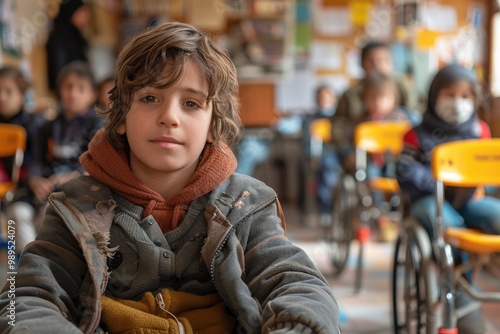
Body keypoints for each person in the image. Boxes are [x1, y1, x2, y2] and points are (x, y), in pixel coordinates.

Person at [0, 22, 340, 333]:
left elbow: (297, 284)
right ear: (120, 117)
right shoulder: (76, 206)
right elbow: (25, 298)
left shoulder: (247, 205)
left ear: (213, 124)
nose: (169, 117)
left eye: (191, 104)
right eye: (150, 98)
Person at [396, 63, 500, 334]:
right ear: (434, 95)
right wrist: (440, 182)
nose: (458, 103)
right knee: (446, 221)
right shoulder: (415, 134)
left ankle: (470, 282)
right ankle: (460, 287)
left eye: (466, 97)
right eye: (450, 94)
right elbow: (404, 172)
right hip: (430, 201)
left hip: (471, 200)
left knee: (496, 214)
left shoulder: (480, 131)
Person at [28, 61, 102, 209]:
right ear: (59, 90)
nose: (73, 94)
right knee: (19, 212)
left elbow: (98, 162)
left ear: (93, 94)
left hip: (82, 190)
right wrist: (35, 181)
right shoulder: (46, 126)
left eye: (81, 89)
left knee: (50, 215)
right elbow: (36, 159)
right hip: (48, 189)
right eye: (68, 87)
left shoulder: (97, 125)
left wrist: (77, 175)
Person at [332, 40, 418, 147]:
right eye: (372, 61)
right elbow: (338, 125)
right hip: (360, 148)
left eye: (384, 60)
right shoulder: (351, 94)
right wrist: (347, 150)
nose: (378, 65)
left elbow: (417, 113)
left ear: (391, 63)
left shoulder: (403, 86)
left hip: (399, 146)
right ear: (362, 64)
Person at [0, 67, 43, 252]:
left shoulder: (33, 125)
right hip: (3, 186)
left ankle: (30, 267)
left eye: (8, 91)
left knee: (19, 216)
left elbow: (37, 162)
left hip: (24, 189)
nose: (1, 97)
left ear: (22, 94)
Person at [302, 84, 340, 226]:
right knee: (325, 173)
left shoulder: (338, 117)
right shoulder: (311, 119)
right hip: (321, 155)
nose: (324, 100)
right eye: (321, 97)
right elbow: (309, 140)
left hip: (337, 152)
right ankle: (325, 212)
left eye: (327, 97)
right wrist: (312, 156)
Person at [45, 0, 91, 92]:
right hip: (69, 90)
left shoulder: (75, 35)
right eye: (82, 13)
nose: (87, 17)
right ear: (71, 12)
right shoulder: (61, 37)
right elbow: (59, 68)